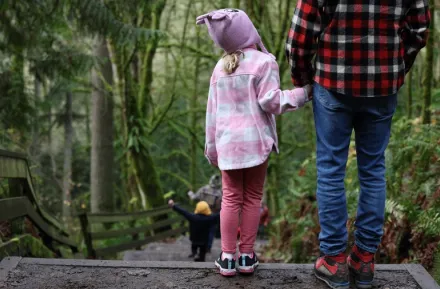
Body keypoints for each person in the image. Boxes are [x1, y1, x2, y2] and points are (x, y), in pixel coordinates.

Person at [286, 0, 430, 288]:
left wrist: (304, 79)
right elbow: (419, 29)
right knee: (374, 169)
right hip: (383, 85)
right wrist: (397, 67)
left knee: (330, 170)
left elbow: (300, 38)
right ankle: (364, 259)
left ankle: (334, 261)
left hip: (332, 83)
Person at [196, 8, 312, 276]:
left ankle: (227, 257)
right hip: (256, 145)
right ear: (248, 31)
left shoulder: (219, 68)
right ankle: (246, 256)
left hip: (227, 146)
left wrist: (211, 149)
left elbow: (211, 114)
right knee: (252, 199)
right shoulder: (264, 62)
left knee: (230, 198)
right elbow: (271, 101)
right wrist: (302, 94)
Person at [188, 174, 222, 252]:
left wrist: (189, 192)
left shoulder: (203, 189)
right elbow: (221, 206)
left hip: (200, 214)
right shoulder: (220, 193)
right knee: (211, 231)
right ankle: (208, 247)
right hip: (212, 214)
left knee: (199, 230)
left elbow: (194, 197)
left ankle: (197, 246)